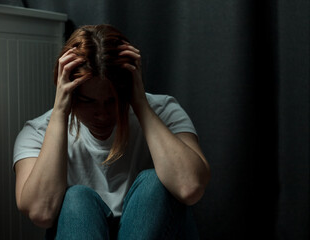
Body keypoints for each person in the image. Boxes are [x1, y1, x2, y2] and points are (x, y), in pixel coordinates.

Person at [13, 24, 210, 239]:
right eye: (88, 102)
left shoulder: (164, 110)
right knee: (76, 198)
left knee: (155, 184)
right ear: (67, 92)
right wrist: (60, 112)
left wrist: (140, 104)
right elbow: (41, 213)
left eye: (112, 101)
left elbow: (189, 187)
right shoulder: (38, 131)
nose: (102, 114)